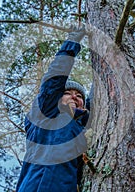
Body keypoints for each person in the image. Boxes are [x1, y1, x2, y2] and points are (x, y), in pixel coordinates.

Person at [16, 26, 90, 192]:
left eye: (79, 96)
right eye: (67, 93)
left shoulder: (83, 131)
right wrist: (72, 41)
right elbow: (54, 78)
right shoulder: (45, 116)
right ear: (57, 98)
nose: (74, 97)